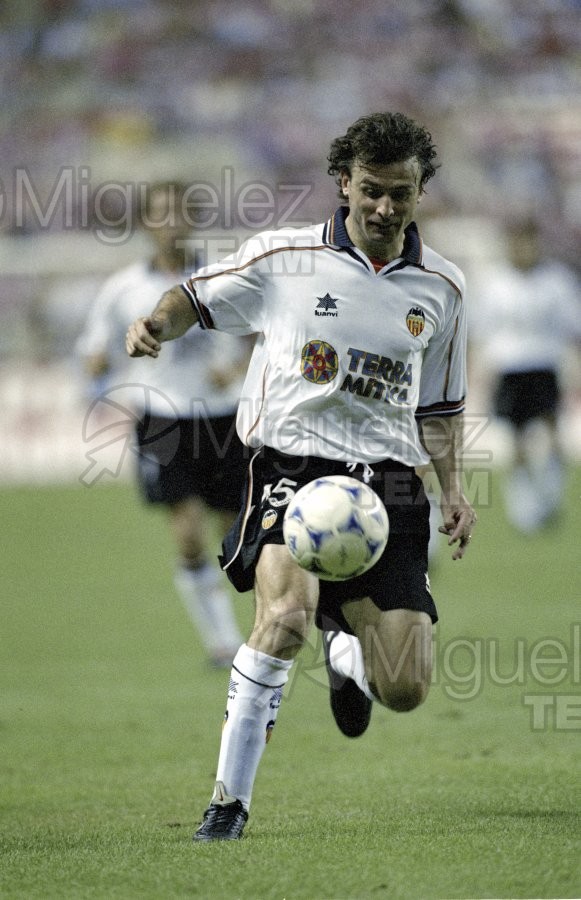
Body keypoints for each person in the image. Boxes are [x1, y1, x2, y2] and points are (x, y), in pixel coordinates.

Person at [125, 113, 477, 841]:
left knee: (405, 689)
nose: (384, 208)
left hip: (388, 478)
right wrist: (156, 326)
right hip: (292, 461)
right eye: (372, 190)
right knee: (282, 618)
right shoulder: (282, 256)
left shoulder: (443, 288)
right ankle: (228, 803)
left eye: (401, 194)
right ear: (343, 182)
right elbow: (191, 296)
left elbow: (440, 405)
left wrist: (453, 489)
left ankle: (344, 649)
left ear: (420, 192)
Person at [78, 180, 248, 668]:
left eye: (179, 211)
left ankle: (271, 627)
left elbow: (259, 333)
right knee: (188, 532)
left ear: (192, 218)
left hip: (224, 416)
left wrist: (235, 368)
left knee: (236, 535)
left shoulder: (222, 277)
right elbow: (95, 350)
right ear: (145, 223)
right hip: (163, 419)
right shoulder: (123, 288)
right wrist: (98, 366)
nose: (170, 220)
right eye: (160, 212)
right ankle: (223, 643)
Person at [470, 216, 581, 533]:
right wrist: (479, 377)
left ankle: (550, 496)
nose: (523, 248)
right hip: (509, 368)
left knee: (552, 432)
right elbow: (480, 334)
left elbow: (573, 330)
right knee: (516, 439)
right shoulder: (494, 283)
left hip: (545, 365)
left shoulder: (557, 281)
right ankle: (525, 507)